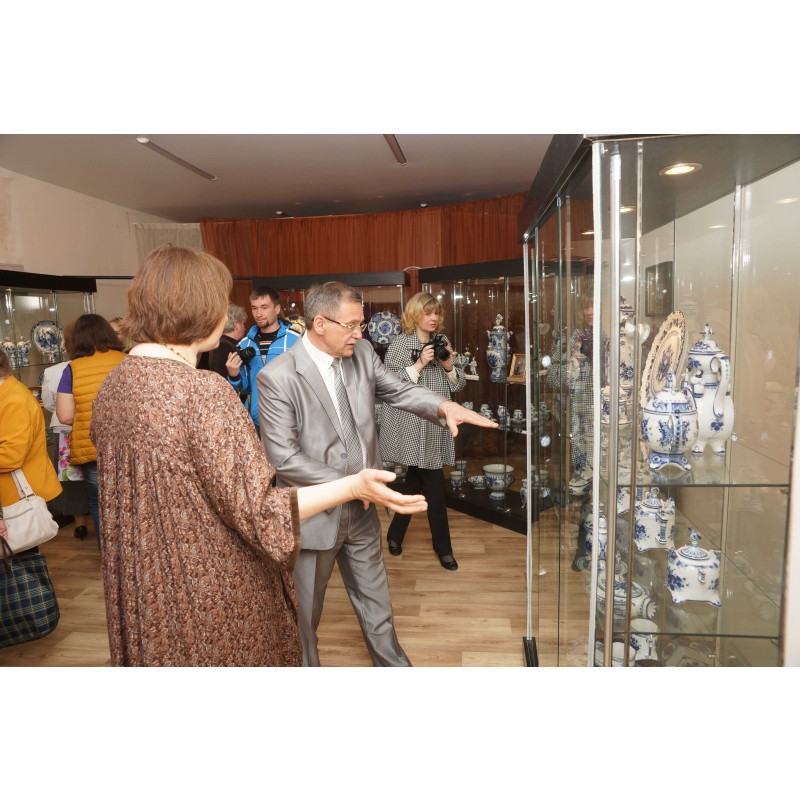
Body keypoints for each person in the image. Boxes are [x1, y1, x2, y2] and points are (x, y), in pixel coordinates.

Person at [90, 246, 427, 667]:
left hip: (145, 589)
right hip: (204, 588)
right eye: (221, 300)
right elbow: (261, 512)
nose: (231, 314)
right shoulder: (202, 392)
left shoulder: (115, 385)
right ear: (200, 309)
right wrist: (354, 485)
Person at [258, 281, 497, 667]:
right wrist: (352, 485)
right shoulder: (278, 376)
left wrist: (443, 407)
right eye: (352, 325)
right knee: (304, 619)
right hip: (316, 518)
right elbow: (284, 459)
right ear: (320, 323)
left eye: (362, 325)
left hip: (364, 510)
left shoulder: (363, 354)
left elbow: (401, 391)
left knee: (378, 608)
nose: (360, 333)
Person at [379, 291, 466, 570]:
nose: (433, 318)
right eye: (427, 313)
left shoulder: (443, 341)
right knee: (435, 490)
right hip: (411, 424)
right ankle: (444, 550)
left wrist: (449, 366)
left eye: (436, 313)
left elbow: (458, 384)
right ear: (415, 315)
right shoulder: (399, 344)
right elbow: (390, 386)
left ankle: (394, 535)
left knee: (413, 484)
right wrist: (419, 363)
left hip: (435, 425)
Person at [55, 314, 126, 546]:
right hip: (128, 446)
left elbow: (65, 416)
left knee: (99, 502)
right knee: (131, 500)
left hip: (91, 446)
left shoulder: (72, 369)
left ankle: (108, 555)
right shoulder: (127, 361)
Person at [0, 348, 62, 547]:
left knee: (18, 557)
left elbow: (10, 456)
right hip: (13, 495)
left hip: (16, 497)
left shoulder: (13, 400)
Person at [40, 321, 91, 540]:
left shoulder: (52, 371)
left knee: (72, 478)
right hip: (89, 425)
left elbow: (49, 404)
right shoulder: (93, 366)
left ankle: (80, 524)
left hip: (64, 429)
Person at [226, 285, 301, 433]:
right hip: (255, 422)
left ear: (277, 309)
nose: (258, 314)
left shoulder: (297, 340)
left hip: (288, 421)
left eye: (264, 307)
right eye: (254, 308)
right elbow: (241, 389)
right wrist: (233, 376)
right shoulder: (244, 344)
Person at [206, 304, 247, 378]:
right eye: (243, 324)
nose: (245, 328)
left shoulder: (219, 343)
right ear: (236, 325)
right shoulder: (226, 346)